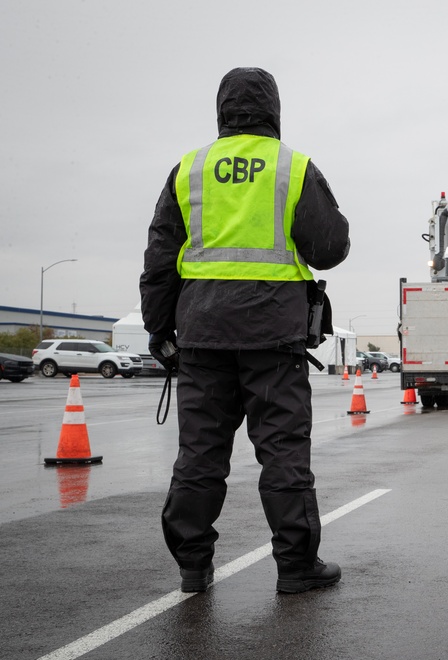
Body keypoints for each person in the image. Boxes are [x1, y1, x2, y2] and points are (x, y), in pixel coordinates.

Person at [139, 67, 351, 594]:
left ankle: (193, 567)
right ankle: (296, 567)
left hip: (202, 335)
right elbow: (331, 248)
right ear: (273, 110)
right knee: (282, 451)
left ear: (223, 110)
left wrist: (158, 328)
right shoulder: (292, 167)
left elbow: (161, 258)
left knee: (200, 454)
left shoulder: (189, 170)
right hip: (273, 337)